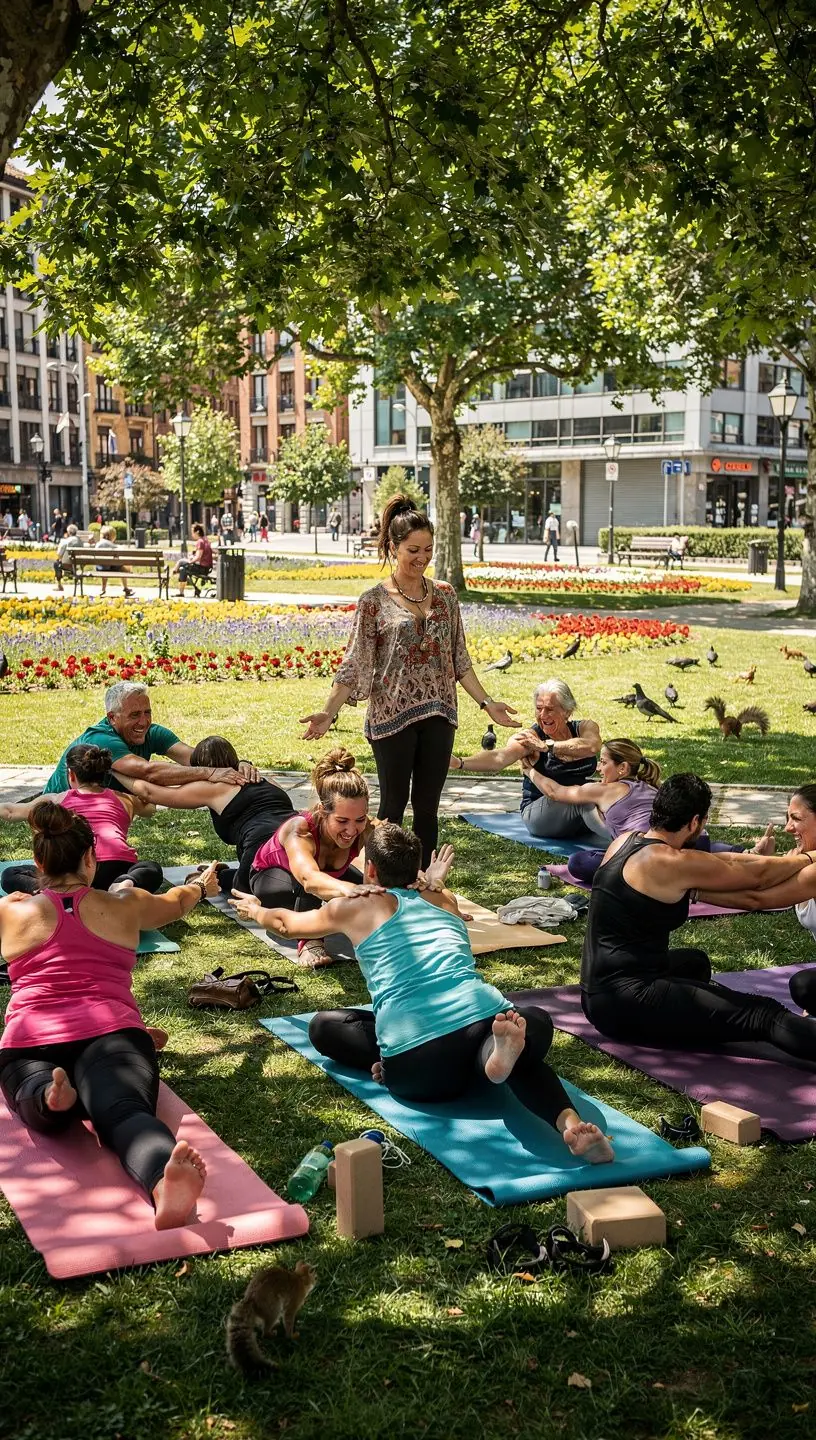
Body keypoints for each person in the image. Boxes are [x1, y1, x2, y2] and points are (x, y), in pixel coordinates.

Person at [231, 823, 614, 1163]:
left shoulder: (356, 905)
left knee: (324, 1026)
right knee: (529, 1031)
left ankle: (481, 1059)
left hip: (419, 1070)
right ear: (416, 867)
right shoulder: (443, 899)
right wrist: (435, 882)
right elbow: (430, 893)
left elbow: (286, 922)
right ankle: (564, 1117)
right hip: (479, 1026)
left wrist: (255, 909)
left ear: (371, 870)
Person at [0, 802, 219, 1229]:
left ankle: (50, 1096)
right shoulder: (125, 903)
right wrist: (200, 885)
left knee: (31, 1088)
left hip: (31, 1038)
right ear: (90, 859)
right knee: (125, 1112)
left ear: (39, 862)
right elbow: (176, 902)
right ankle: (160, 1181)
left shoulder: (11, 912)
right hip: (112, 1033)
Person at [300, 494, 520, 866]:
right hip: (391, 717)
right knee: (392, 805)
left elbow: (459, 659)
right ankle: (383, 878)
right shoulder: (372, 601)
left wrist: (487, 703)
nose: (422, 558)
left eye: (429, 550)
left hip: (439, 713)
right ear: (393, 547)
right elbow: (355, 662)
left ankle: (423, 883)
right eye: (413, 549)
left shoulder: (447, 595)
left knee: (428, 808)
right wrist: (327, 712)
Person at [580, 773, 816, 1059]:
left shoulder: (627, 841)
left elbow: (728, 861)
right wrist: (806, 858)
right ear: (695, 822)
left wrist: (781, 860)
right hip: (627, 1001)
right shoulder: (673, 862)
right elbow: (758, 880)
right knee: (762, 1014)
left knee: (694, 963)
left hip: (597, 994)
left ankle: (689, 1018)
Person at [540, 739, 773, 886]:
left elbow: (555, 791)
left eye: (602, 762)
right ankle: (748, 853)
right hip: (696, 842)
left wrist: (529, 769)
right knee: (699, 854)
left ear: (622, 768)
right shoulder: (651, 785)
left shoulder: (604, 790)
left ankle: (743, 858)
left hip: (652, 855)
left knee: (579, 862)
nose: (598, 768)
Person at [246, 747, 380, 968]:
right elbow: (309, 878)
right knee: (299, 888)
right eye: (342, 820)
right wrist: (347, 890)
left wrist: (421, 878)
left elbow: (394, 861)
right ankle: (309, 941)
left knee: (376, 889)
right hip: (273, 874)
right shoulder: (301, 830)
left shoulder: (365, 828)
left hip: (327, 873)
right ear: (322, 811)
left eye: (359, 819)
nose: (352, 829)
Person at [128, 734, 296, 898]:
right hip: (297, 832)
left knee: (243, 891)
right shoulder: (263, 779)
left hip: (263, 840)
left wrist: (114, 769)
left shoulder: (213, 786)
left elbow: (148, 792)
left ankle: (215, 878)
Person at [700, 784, 816, 1014]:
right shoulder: (803, 860)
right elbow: (759, 878)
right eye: (787, 818)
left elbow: (756, 898)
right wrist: (759, 857)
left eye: (796, 818)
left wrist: (693, 891)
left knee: (804, 987)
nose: (788, 828)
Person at [451, 678, 607, 842]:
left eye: (550, 709)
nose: (543, 715)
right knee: (584, 799)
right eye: (539, 708)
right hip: (540, 815)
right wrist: (460, 763)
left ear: (567, 711)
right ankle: (622, 842)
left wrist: (549, 746)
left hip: (574, 808)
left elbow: (591, 746)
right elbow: (499, 758)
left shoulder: (584, 727)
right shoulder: (530, 738)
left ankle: (629, 834)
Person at [41, 680, 258, 796]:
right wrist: (210, 773)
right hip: (58, 811)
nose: (144, 721)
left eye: (147, 712)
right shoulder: (101, 739)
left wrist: (238, 764)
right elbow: (148, 771)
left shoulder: (152, 732)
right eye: (134, 715)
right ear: (112, 718)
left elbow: (197, 758)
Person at [1, 743, 162, 894]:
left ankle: (47, 890)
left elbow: (10, 812)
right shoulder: (125, 800)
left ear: (71, 774)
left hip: (73, 868)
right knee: (151, 868)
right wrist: (122, 775)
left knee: (11, 874)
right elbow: (150, 808)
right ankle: (126, 883)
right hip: (117, 868)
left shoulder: (57, 800)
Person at [174, 524, 213, 598]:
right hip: (206, 569)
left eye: (192, 532)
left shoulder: (200, 542)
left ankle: (174, 572)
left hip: (202, 569)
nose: (192, 534)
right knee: (183, 569)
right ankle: (177, 572)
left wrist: (190, 562)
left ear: (197, 532)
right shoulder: (205, 540)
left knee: (181, 562)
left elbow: (198, 557)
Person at [94, 524, 134, 597]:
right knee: (124, 567)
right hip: (108, 568)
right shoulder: (108, 543)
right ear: (110, 536)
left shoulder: (98, 543)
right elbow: (121, 550)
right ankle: (125, 588)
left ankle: (103, 589)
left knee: (105, 565)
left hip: (100, 569)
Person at [53, 522, 82, 592]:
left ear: (68, 532)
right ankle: (73, 573)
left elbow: (59, 554)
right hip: (77, 564)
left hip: (66, 564)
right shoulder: (80, 542)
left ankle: (59, 585)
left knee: (56, 564)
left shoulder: (65, 541)